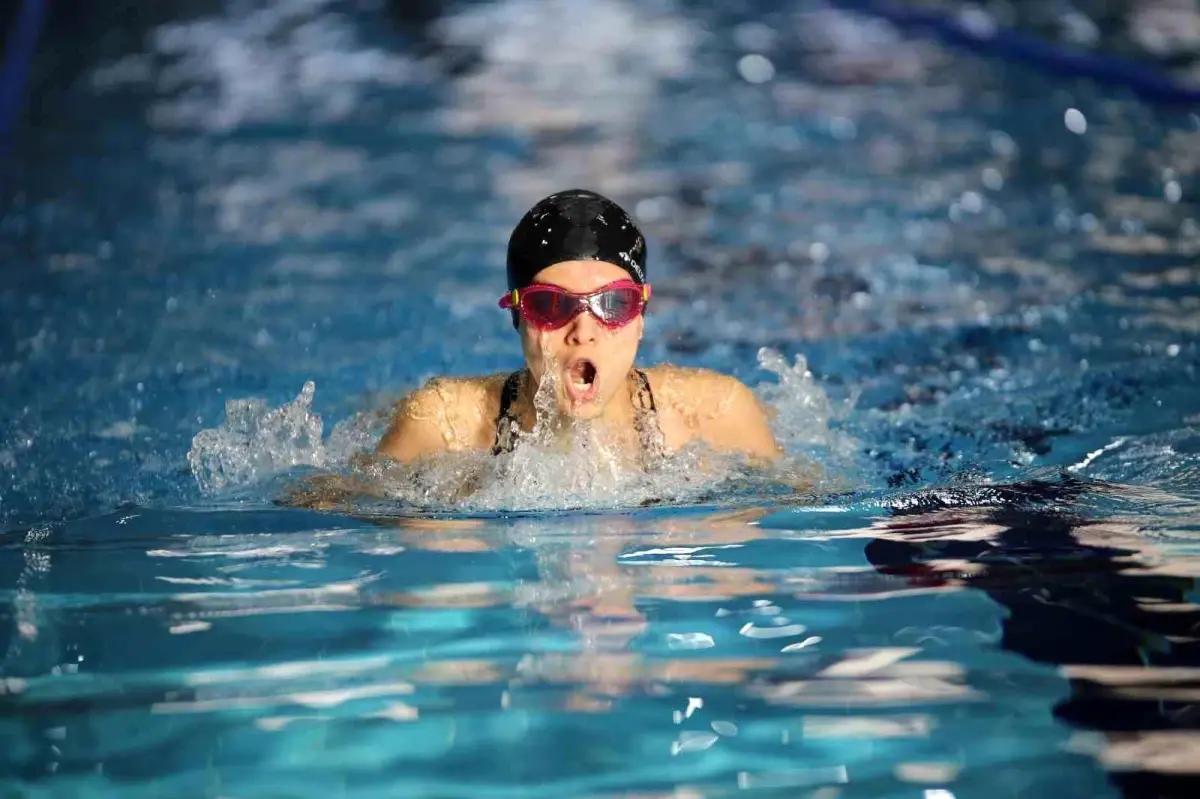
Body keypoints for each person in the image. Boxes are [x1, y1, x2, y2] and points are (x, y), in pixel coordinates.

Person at [375, 188, 783, 469]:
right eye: (550, 304)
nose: (583, 330)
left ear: (640, 316)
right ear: (517, 316)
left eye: (614, 303)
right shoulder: (442, 424)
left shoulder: (718, 413)